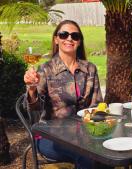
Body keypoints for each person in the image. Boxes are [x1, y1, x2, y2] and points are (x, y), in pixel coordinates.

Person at [23, 20, 112, 169]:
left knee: (107, 151)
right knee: (87, 154)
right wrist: (31, 89)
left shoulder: (90, 69)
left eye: (75, 36)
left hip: (85, 135)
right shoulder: (45, 70)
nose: (69, 38)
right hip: (50, 137)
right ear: (56, 39)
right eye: (64, 34)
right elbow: (34, 108)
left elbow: (97, 106)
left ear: (79, 41)